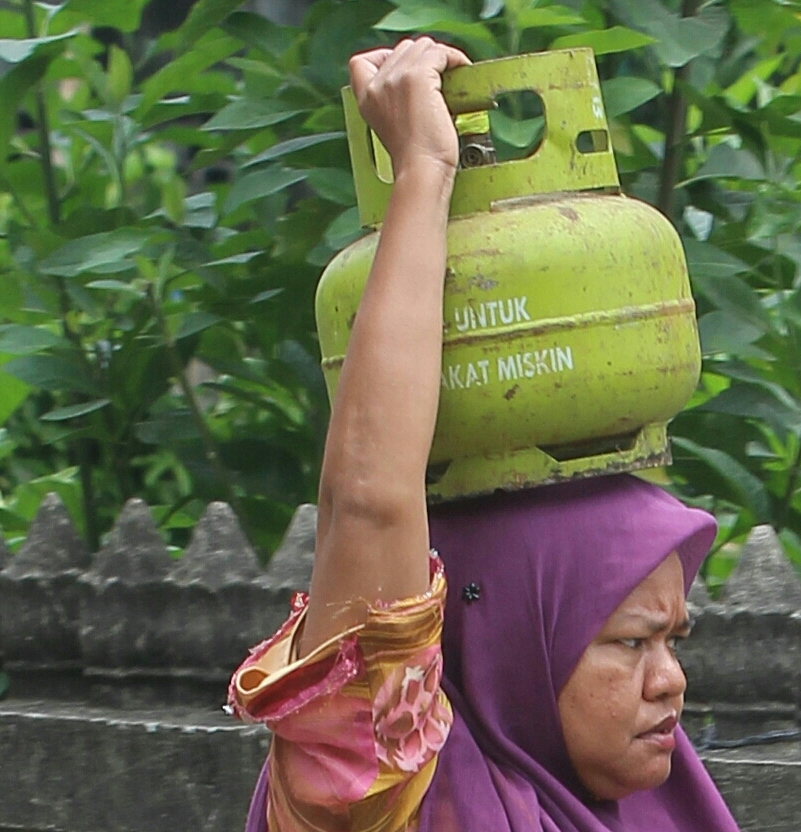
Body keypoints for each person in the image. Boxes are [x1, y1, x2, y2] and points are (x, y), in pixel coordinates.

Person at [228, 36, 742, 832]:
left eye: (673, 640)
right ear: (513, 650)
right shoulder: (393, 798)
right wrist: (426, 170)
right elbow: (368, 503)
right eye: (633, 643)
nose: (671, 680)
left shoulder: (646, 807)